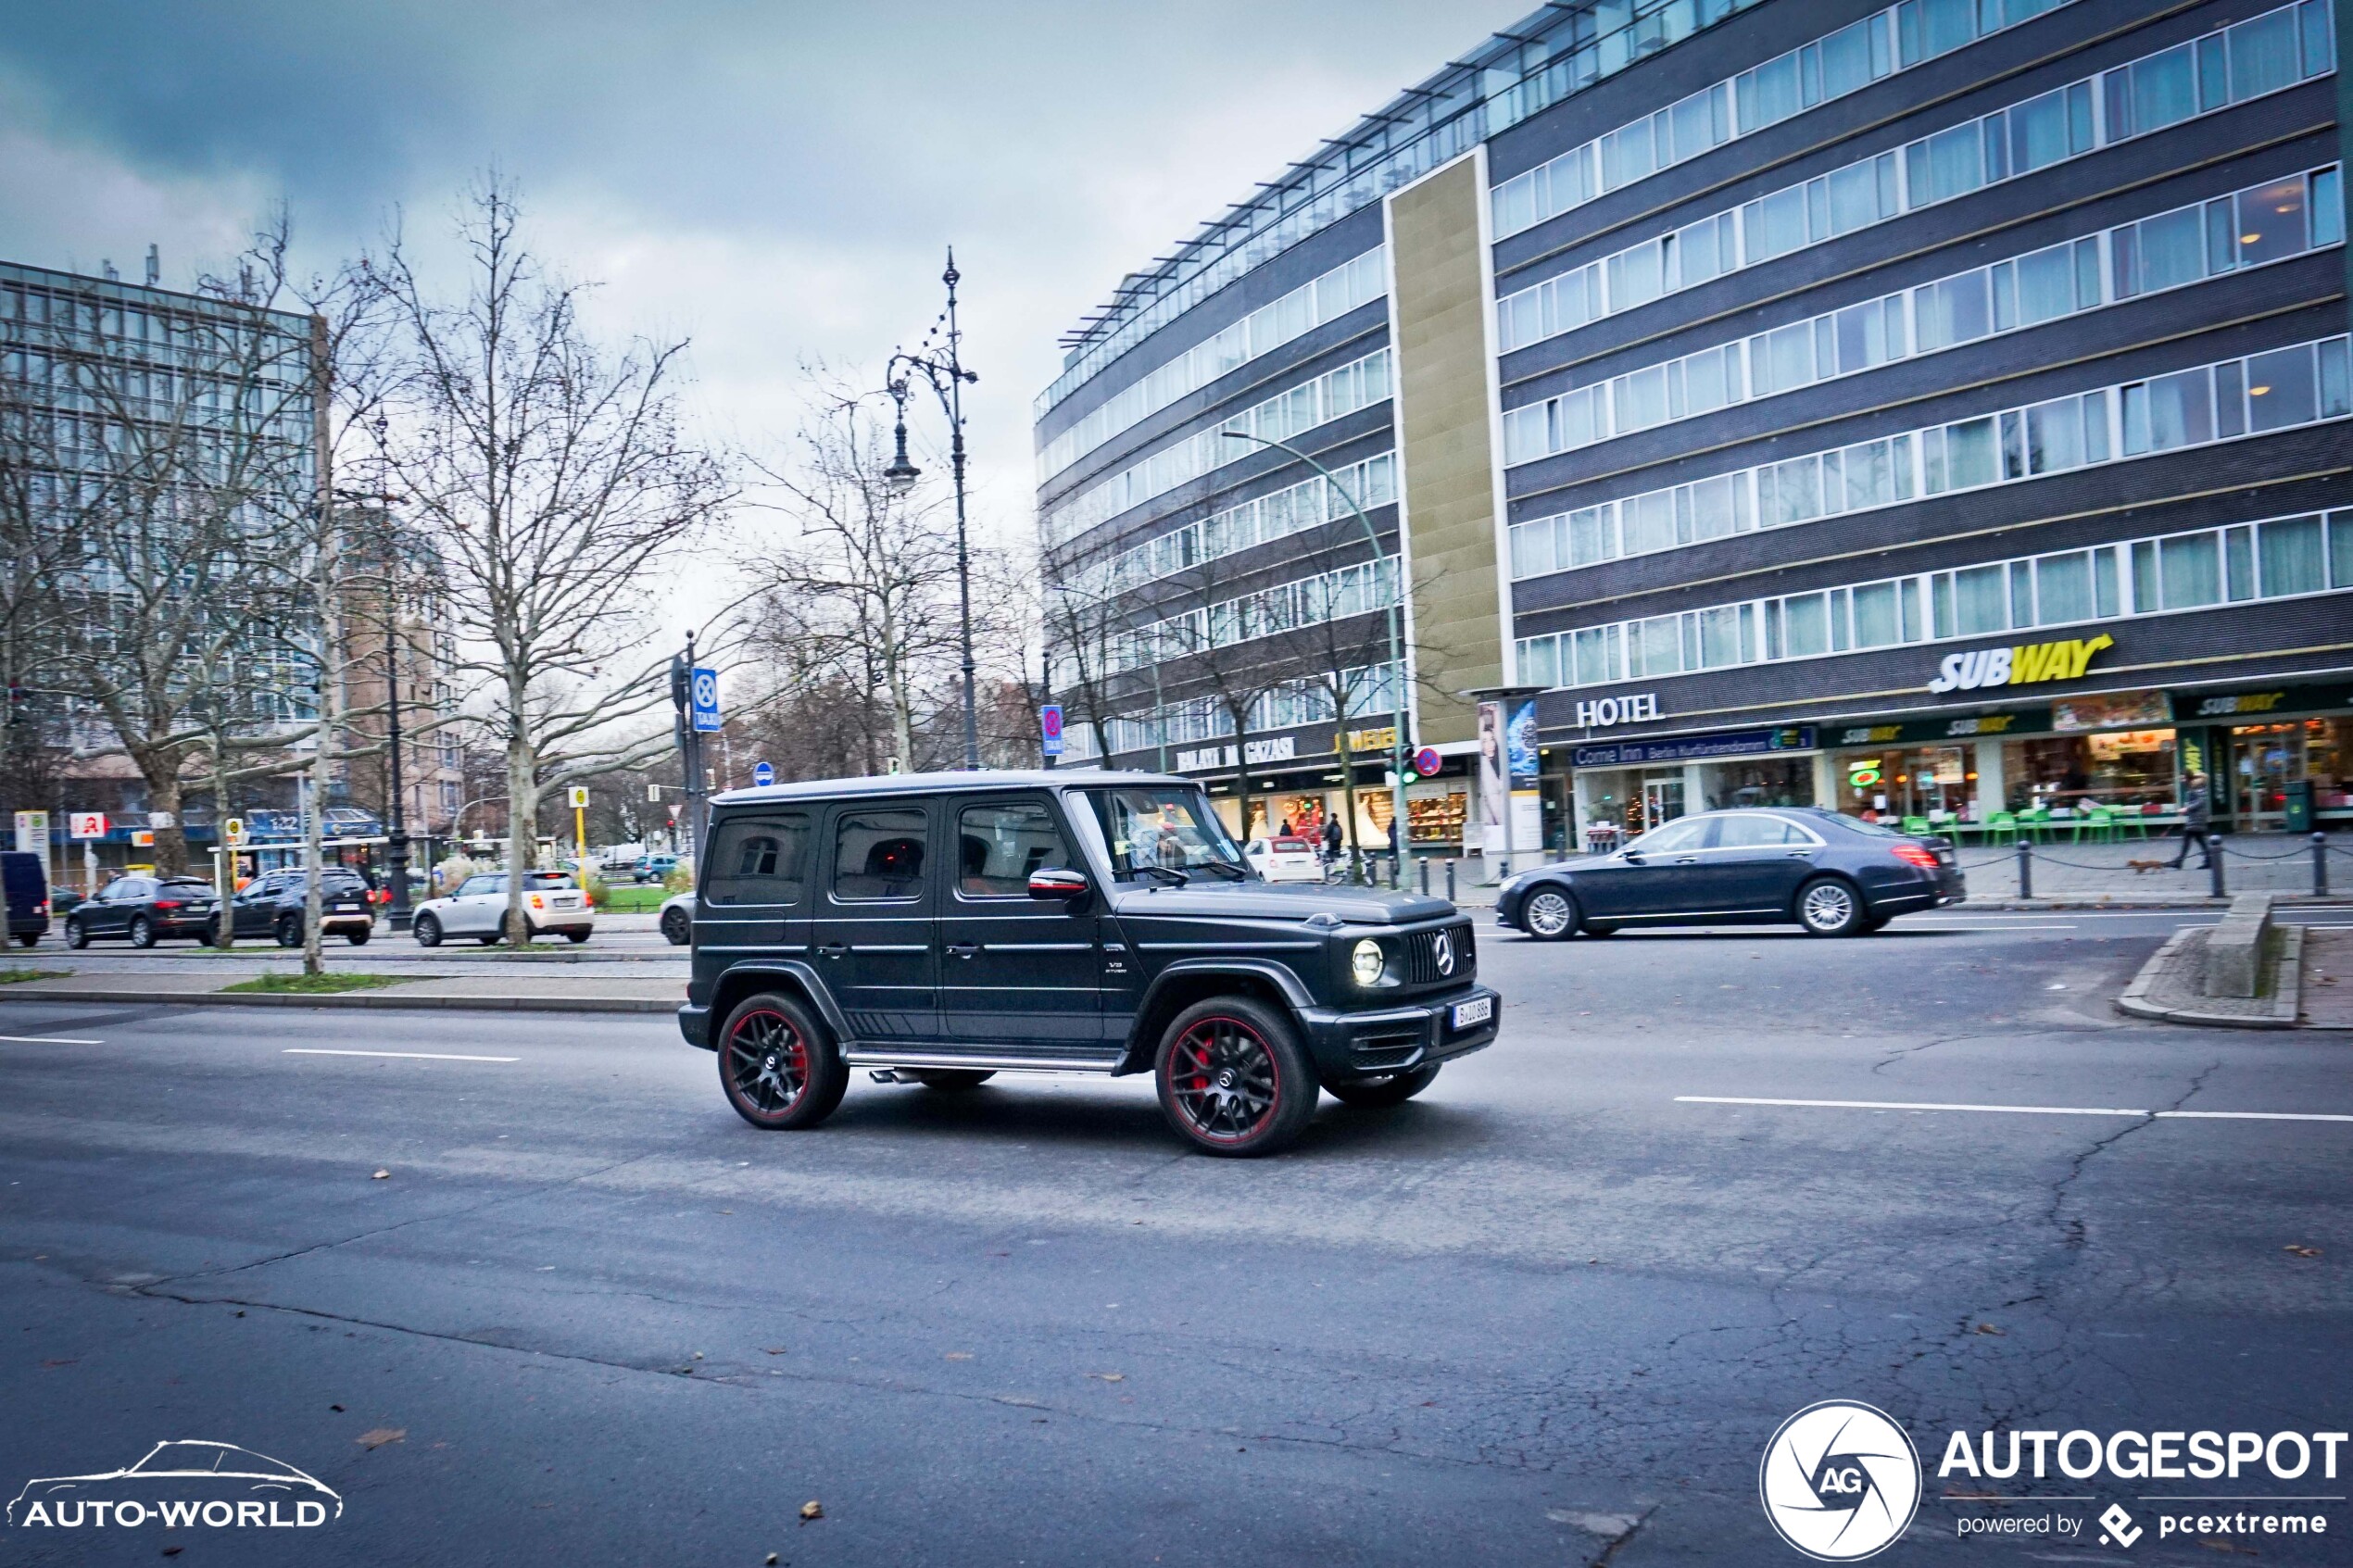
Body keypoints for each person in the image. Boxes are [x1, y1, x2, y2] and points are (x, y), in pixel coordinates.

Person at [2171, 772, 2214, 869]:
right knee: (2199, 839)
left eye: (2183, 778)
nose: (2181, 780)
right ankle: (2209, 860)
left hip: (2196, 818)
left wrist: (2186, 809)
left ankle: (2179, 861)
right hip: (2197, 817)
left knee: (2188, 839)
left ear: (2187, 778)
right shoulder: (2198, 787)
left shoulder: (2196, 788)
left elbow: (2200, 802)